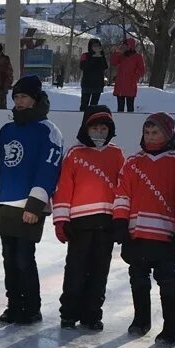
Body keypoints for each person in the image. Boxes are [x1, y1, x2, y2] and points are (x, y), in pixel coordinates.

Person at [0, 75, 64, 324]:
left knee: (23, 258)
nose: (19, 101)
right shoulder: (7, 130)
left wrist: (35, 204)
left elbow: (48, 170)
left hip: (28, 207)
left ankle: (31, 307)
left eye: (24, 97)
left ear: (35, 99)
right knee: (9, 258)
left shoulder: (48, 130)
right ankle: (14, 304)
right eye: (16, 97)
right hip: (5, 204)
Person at [112, 112, 175, 343]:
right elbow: (123, 195)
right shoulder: (134, 162)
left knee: (167, 279)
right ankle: (141, 319)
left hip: (164, 233)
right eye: (147, 132)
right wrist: (120, 221)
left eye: (155, 132)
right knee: (137, 276)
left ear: (168, 134)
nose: (150, 136)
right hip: (136, 232)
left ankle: (171, 327)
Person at [54, 106, 125, 330]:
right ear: (86, 128)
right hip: (80, 224)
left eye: (104, 128)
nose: (99, 132)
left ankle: (92, 314)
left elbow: (124, 190)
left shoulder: (117, 154)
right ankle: (69, 313)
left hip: (106, 224)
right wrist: (61, 221)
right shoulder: (75, 154)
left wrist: (122, 219)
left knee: (99, 271)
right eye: (95, 127)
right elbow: (63, 189)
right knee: (75, 269)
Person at [110, 36, 146, 112]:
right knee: (120, 107)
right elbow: (113, 63)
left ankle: (130, 121)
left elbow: (142, 70)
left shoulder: (137, 57)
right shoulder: (121, 56)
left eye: (125, 45)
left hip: (130, 84)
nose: (124, 47)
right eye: (123, 45)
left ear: (130, 46)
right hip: (120, 84)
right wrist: (116, 52)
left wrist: (134, 78)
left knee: (130, 106)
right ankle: (120, 121)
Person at [78, 39, 108, 111]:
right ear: (90, 46)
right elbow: (83, 67)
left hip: (98, 84)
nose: (96, 47)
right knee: (84, 104)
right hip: (87, 83)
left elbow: (105, 66)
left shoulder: (101, 56)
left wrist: (100, 56)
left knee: (94, 106)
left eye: (98, 46)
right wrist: (94, 57)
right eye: (94, 46)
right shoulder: (85, 55)